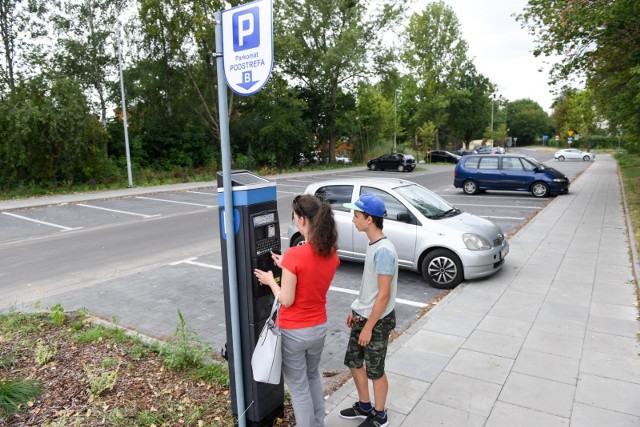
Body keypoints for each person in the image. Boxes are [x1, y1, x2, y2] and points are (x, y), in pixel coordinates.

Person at [254, 194, 340, 427]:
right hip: (319, 328)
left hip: (294, 331)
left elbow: (287, 299)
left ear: (302, 219)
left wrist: (271, 281)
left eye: (293, 215)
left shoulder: (295, 254)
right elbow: (310, 274)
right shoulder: (330, 252)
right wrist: (286, 265)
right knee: (313, 377)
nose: (292, 219)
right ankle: (318, 423)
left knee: (299, 388)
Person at [339, 194, 398, 427]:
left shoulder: (384, 250)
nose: (353, 219)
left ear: (369, 219)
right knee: (354, 361)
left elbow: (383, 295)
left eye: (356, 215)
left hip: (377, 320)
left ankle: (380, 414)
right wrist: (356, 308)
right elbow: (370, 287)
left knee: (375, 370)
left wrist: (369, 328)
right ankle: (365, 406)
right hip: (362, 315)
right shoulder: (373, 243)